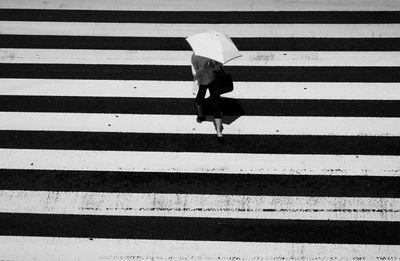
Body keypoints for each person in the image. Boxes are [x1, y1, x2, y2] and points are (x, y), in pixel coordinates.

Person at [191, 53, 224, 143]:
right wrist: (204, 68)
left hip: (214, 80)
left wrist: (215, 66)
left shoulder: (214, 54)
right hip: (201, 82)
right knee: (199, 99)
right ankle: (200, 113)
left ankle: (219, 131)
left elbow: (220, 67)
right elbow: (194, 73)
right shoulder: (195, 56)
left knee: (217, 104)